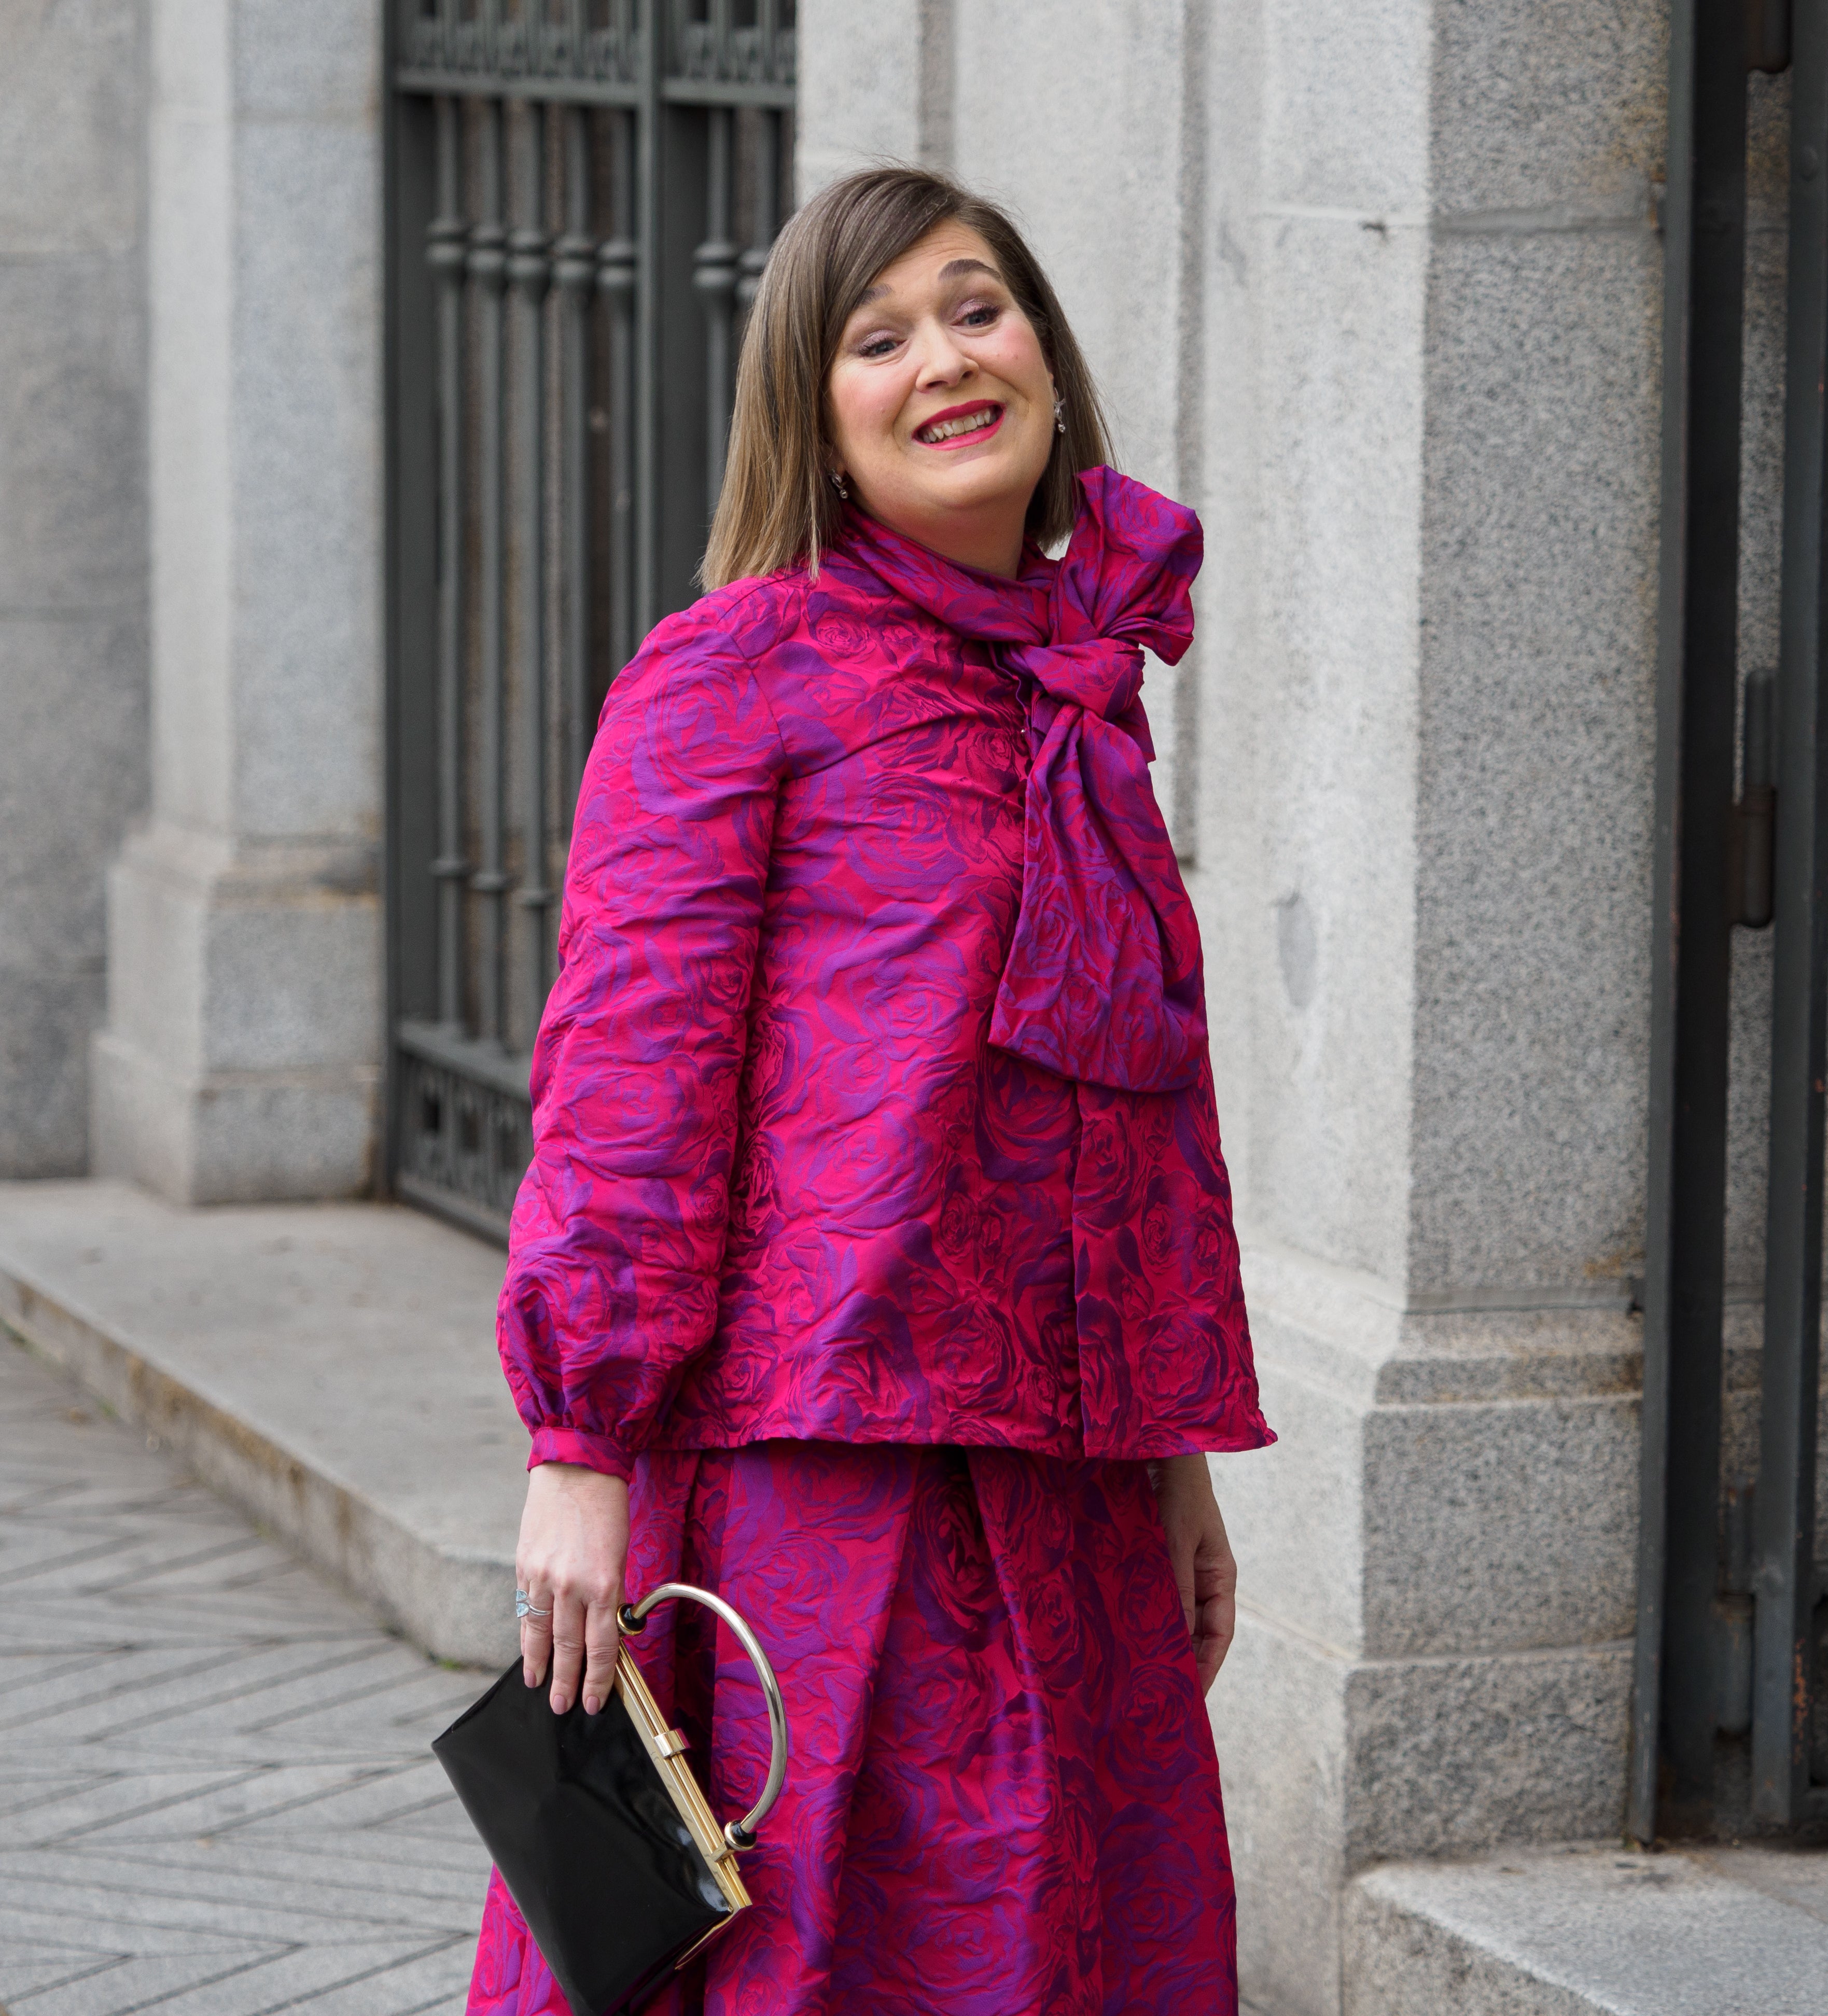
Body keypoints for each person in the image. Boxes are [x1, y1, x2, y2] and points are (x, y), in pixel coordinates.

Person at [468, 163, 1272, 2016]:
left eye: (977, 310)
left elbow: (1131, 1129)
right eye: (879, 336)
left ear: (1050, 362)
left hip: (1066, 1506)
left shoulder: (1074, 700)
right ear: (814, 416)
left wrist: (1172, 1469)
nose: (943, 362)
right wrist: (578, 1451)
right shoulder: (732, 674)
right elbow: (628, 1077)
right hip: (822, 1492)